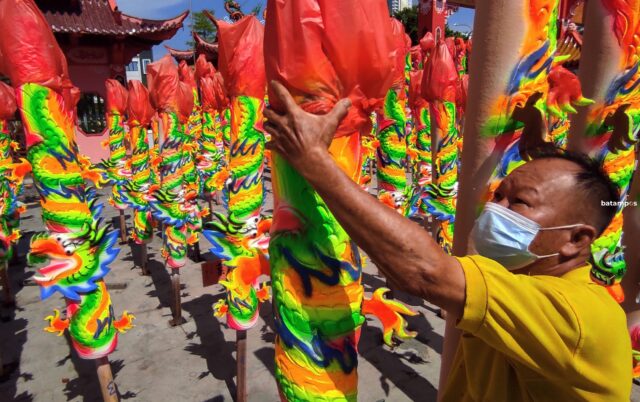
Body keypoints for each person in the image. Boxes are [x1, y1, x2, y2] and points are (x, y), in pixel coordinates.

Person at [263, 81, 632, 401]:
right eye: (498, 196)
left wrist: (314, 160)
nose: (496, 209)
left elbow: (424, 271)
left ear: (576, 239)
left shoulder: (578, 316)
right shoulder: (518, 279)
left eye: (519, 202)